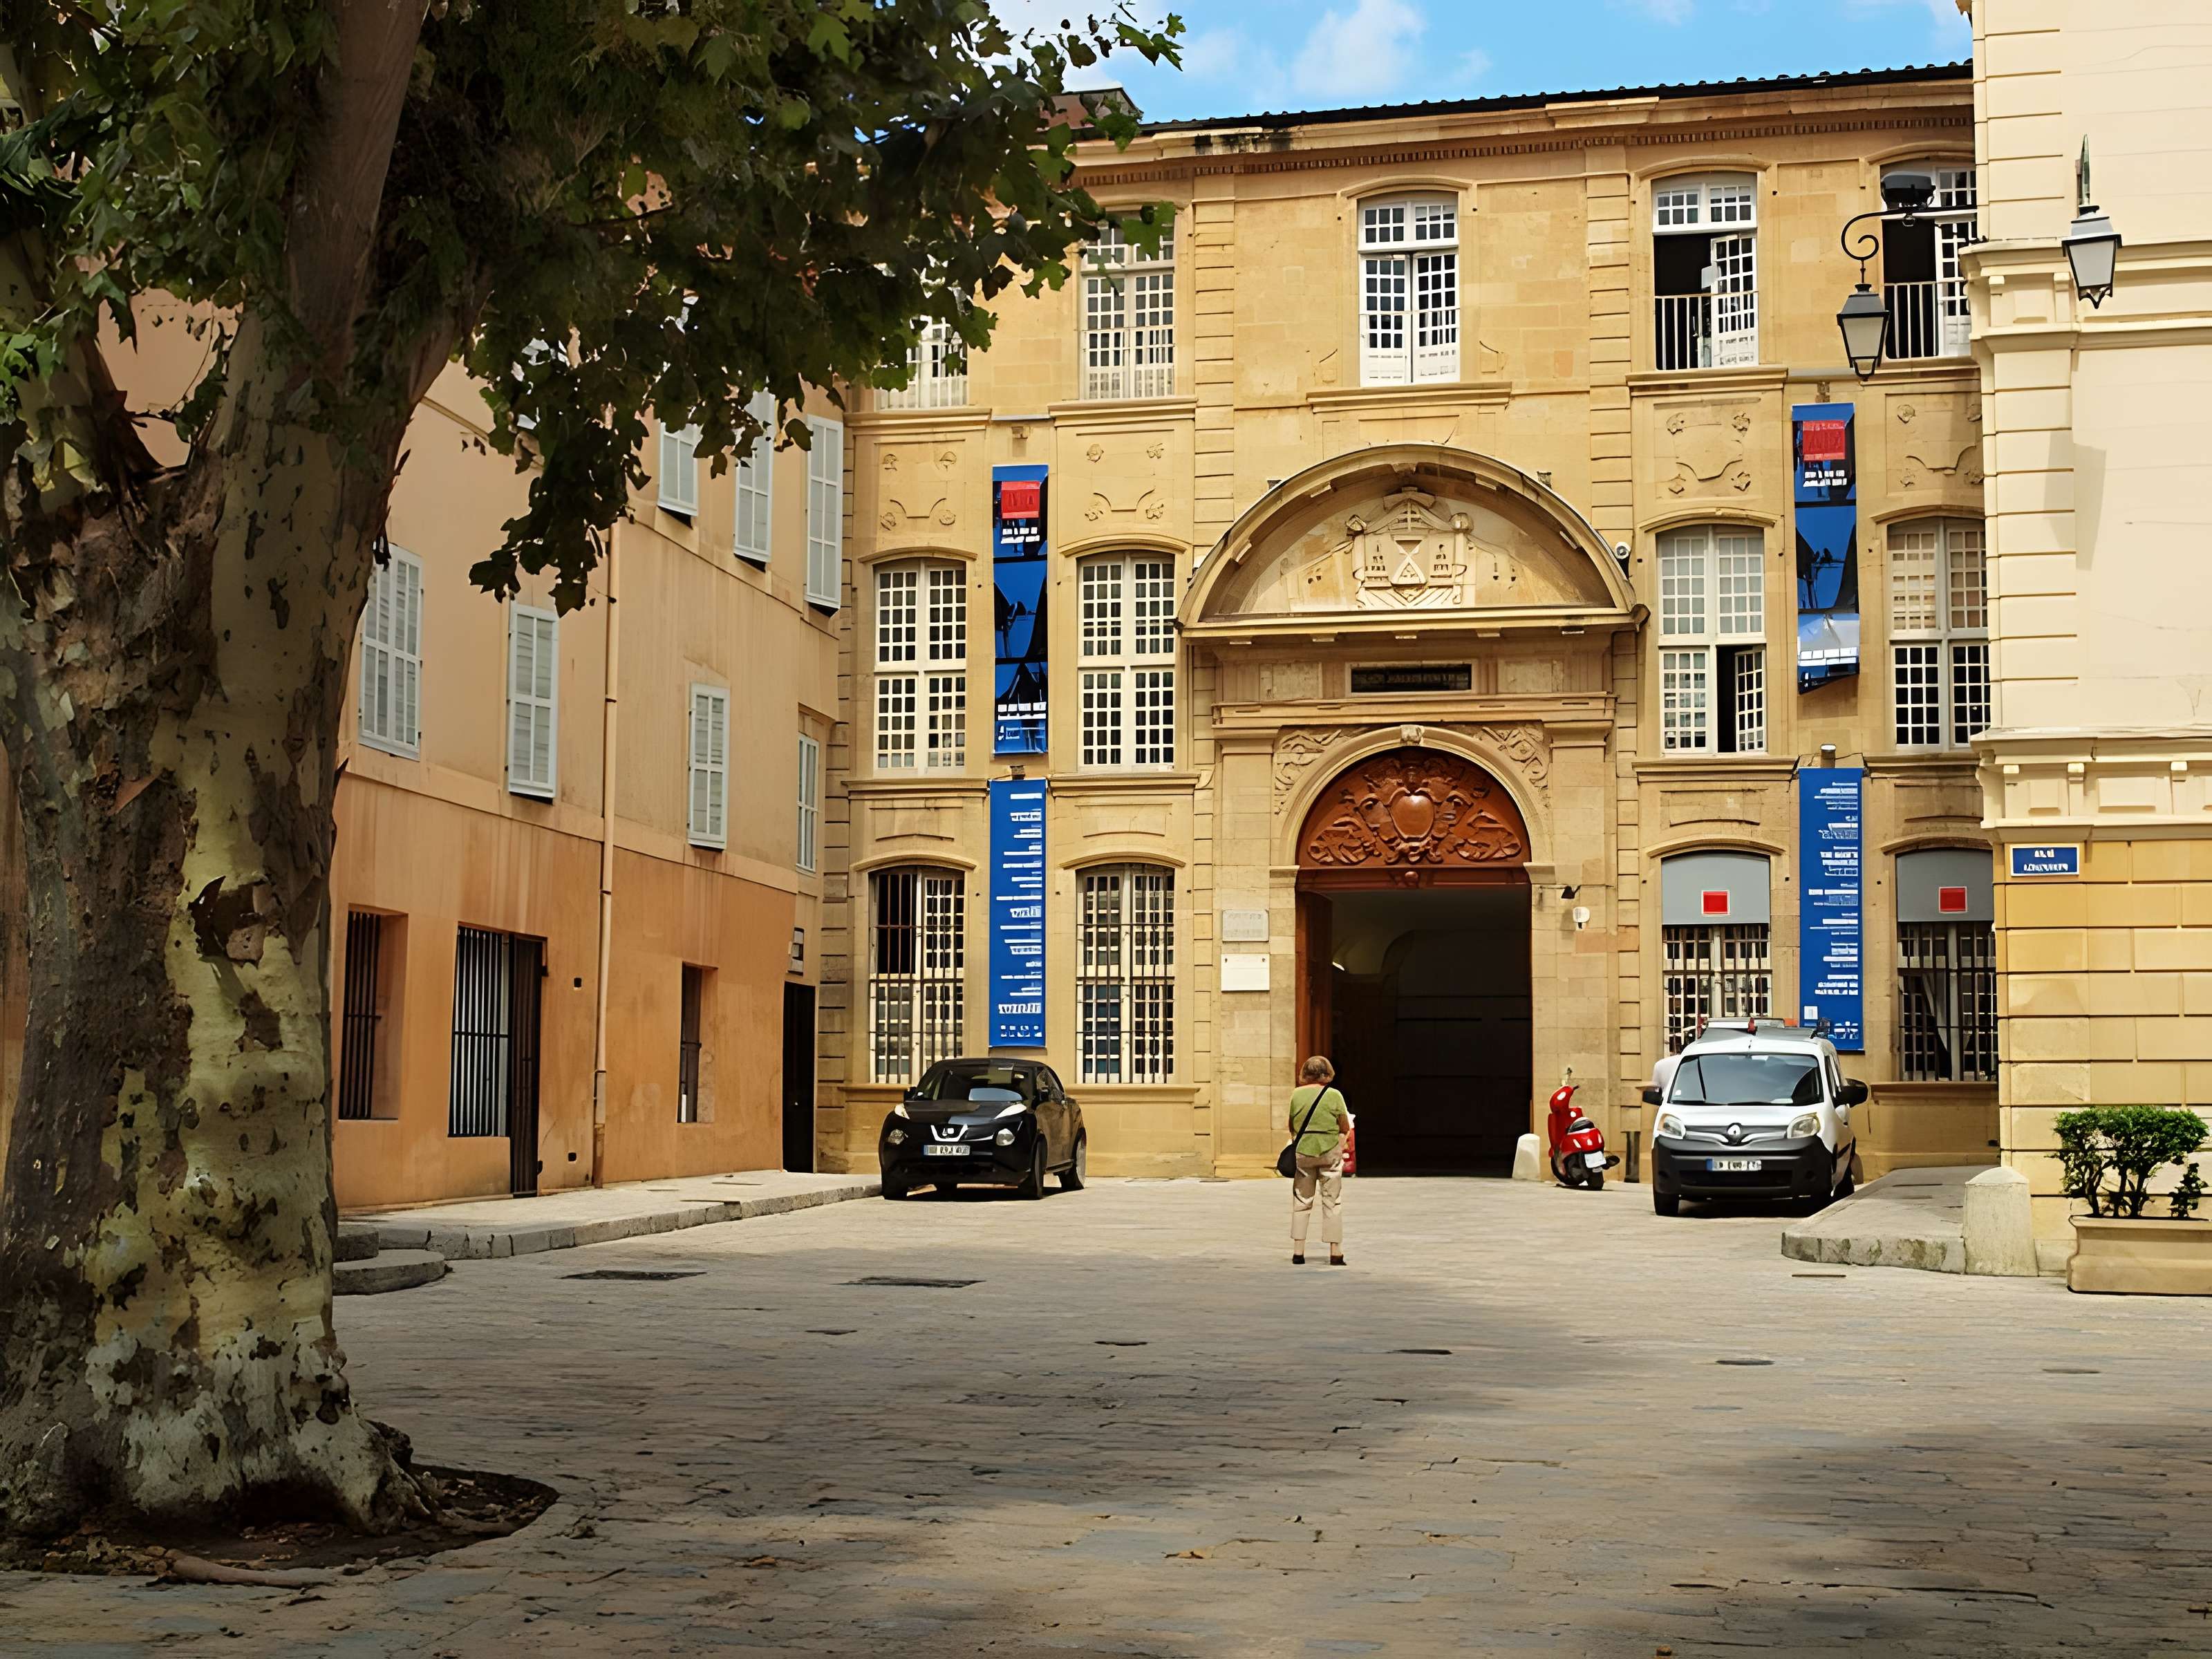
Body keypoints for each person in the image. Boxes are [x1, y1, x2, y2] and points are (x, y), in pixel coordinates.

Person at [1286, 1056, 1350, 1266]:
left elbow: (1292, 1125)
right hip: (1329, 1151)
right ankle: (1336, 1252)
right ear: (1328, 1073)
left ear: (1305, 1073)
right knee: (1333, 1201)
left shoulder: (1296, 1094)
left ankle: (1298, 1252)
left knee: (1302, 1201)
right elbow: (1344, 1126)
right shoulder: (1334, 1095)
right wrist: (1338, 1145)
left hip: (1304, 1152)